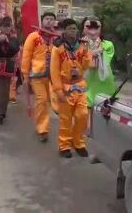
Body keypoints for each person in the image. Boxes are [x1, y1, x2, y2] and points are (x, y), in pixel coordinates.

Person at [51, 18, 92, 158]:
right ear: (64, 30)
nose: (73, 31)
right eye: (70, 28)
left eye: (75, 28)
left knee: (83, 115)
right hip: (65, 87)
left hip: (79, 85)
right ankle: (64, 145)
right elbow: (54, 71)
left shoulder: (82, 46)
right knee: (65, 119)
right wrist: (58, 91)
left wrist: (87, 52)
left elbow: (87, 65)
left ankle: (78, 142)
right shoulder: (58, 48)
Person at [21, 12, 58, 142]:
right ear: (42, 21)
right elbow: (26, 56)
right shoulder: (34, 36)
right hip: (37, 75)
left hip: (54, 77)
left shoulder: (57, 38)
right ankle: (42, 129)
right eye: (47, 19)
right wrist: (25, 74)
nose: (49, 21)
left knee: (53, 102)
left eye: (52, 19)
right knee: (41, 101)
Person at [0, 17, 20, 125]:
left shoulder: (14, 39)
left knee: (6, 92)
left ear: (11, 27)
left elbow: (14, 51)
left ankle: (3, 112)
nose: (6, 28)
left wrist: (6, 42)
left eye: (8, 26)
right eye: (4, 26)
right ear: (0, 27)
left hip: (8, 67)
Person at [81, 17, 116, 108]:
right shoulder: (78, 45)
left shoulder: (108, 45)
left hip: (105, 86)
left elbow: (102, 63)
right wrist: (93, 51)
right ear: (83, 28)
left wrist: (94, 49)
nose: (93, 31)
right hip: (85, 86)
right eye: (89, 27)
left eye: (96, 28)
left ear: (101, 29)